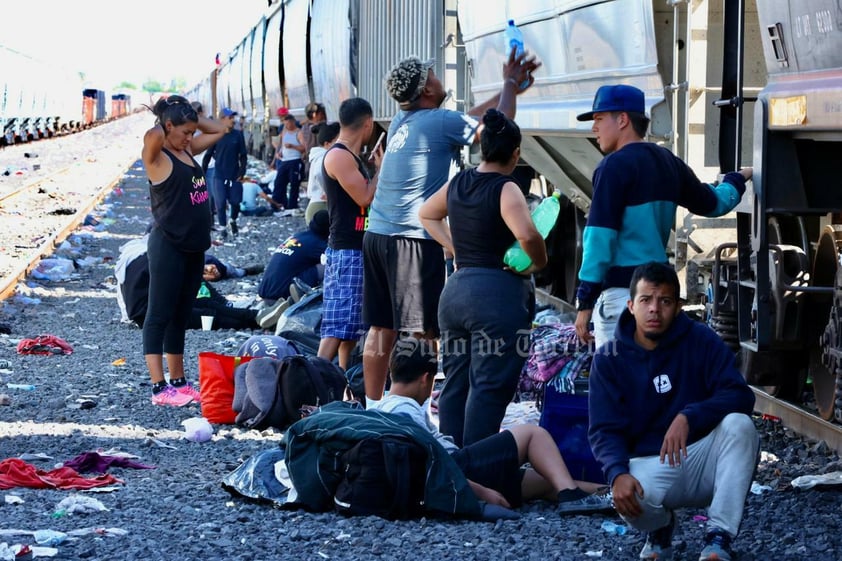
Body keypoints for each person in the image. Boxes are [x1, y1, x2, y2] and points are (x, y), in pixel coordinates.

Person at [361, 49, 540, 408]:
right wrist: (507, 83)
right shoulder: (438, 122)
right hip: (410, 240)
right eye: (434, 74)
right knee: (423, 331)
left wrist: (510, 91)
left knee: (381, 329)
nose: (439, 76)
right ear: (428, 88)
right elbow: (496, 127)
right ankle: (417, 411)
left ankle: (373, 406)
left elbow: (468, 119)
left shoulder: (404, 120)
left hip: (376, 234)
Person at [588, 262, 759, 561]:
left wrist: (689, 416)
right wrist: (615, 474)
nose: (655, 309)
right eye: (646, 300)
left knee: (740, 425)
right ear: (630, 306)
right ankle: (661, 528)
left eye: (665, 301)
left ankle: (718, 537)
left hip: (704, 460)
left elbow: (740, 395)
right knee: (626, 492)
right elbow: (604, 429)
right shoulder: (608, 359)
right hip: (652, 464)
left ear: (678, 307)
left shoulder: (701, 339)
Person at [573, 85, 752, 350]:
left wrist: (585, 303)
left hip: (624, 297)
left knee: (615, 383)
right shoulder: (667, 162)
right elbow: (714, 204)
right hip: (661, 296)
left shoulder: (612, 167)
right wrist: (739, 178)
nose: (593, 128)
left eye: (599, 119)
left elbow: (599, 239)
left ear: (622, 120)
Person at [419, 109, 546, 447]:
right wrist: (537, 264)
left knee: (457, 382)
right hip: (497, 299)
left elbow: (426, 214)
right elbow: (529, 236)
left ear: (483, 148)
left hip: (455, 296)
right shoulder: (507, 188)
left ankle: (451, 459)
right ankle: (478, 466)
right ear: (515, 153)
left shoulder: (459, 181)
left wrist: (455, 248)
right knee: (489, 386)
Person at [371, 337, 612, 514]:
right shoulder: (405, 412)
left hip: (459, 472)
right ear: (426, 378)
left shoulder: (384, 406)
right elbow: (429, 464)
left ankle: (613, 495)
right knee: (532, 434)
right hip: (459, 471)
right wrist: (480, 492)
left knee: (549, 481)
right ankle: (575, 495)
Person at [139, 97, 227, 406]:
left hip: (194, 248)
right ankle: (159, 388)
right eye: (185, 132)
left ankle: (179, 381)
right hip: (168, 246)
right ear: (168, 127)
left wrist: (190, 118)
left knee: (181, 315)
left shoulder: (187, 150)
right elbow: (152, 135)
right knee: (159, 314)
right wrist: (168, 115)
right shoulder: (158, 156)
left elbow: (220, 129)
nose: (191, 138)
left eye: (192, 133)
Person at [317, 98, 381, 370]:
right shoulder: (339, 155)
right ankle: (315, 379)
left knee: (350, 328)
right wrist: (382, 169)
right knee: (338, 323)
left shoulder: (349, 156)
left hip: (353, 249)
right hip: (347, 252)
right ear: (367, 124)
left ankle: (340, 378)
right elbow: (365, 197)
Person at [257, 209, 330, 305]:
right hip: (281, 295)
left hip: (265, 291)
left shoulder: (298, 236)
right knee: (330, 263)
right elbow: (337, 258)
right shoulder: (317, 243)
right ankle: (300, 297)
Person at [202, 107, 248, 238]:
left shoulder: (238, 135)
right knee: (220, 202)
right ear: (222, 119)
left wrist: (242, 171)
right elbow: (208, 155)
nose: (233, 120)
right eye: (230, 118)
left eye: (233, 117)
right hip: (219, 175)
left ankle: (232, 220)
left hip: (234, 175)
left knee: (235, 202)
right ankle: (223, 228)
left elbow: (243, 155)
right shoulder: (216, 136)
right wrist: (201, 173)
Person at [304, 121, 340, 222]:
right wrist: (328, 191)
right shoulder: (324, 156)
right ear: (327, 144)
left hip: (317, 205)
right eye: (337, 140)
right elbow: (319, 173)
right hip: (320, 205)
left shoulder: (319, 155)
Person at [272, 113, 305, 211]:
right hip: (284, 161)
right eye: (285, 124)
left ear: (293, 122)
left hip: (295, 161)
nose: (286, 126)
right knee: (279, 183)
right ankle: (277, 203)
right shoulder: (284, 131)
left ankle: (292, 205)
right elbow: (280, 145)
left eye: (288, 124)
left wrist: (293, 146)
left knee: (294, 184)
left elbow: (304, 148)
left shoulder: (299, 133)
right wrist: (278, 153)